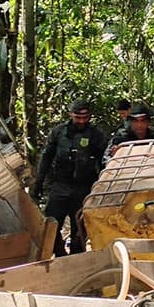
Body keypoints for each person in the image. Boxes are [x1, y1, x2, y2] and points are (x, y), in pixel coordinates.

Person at [32, 100, 107, 256]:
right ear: (71, 115)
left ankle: (76, 258)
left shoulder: (96, 135)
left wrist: (102, 188)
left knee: (80, 228)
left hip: (83, 188)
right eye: (78, 117)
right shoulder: (59, 132)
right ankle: (59, 255)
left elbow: (103, 162)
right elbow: (46, 157)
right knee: (51, 225)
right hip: (60, 185)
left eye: (85, 118)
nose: (81, 121)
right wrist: (38, 182)